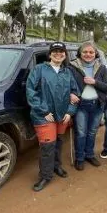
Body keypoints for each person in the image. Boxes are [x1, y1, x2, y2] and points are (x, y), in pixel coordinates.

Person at [26, 42, 79, 192]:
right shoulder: (39, 70)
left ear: (65, 54)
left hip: (62, 116)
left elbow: (75, 94)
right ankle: (45, 176)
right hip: (44, 116)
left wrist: (70, 112)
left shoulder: (67, 72)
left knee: (59, 143)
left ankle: (56, 166)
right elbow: (31, 92)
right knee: (47, 147)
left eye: (61, 51)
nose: (58, 53)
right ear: (49, 54)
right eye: (55, 51)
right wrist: (43, 111)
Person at [69, 41, 107, 171]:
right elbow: (67, 85)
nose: (88, 54)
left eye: (91, 52)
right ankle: (80, 158)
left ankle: (89, 155)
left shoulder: (102, 67)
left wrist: (94, 82)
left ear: (95, 54)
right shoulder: (72, 67)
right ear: (80, 53)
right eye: (85, 52)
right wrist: (70, 94)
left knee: (92, 132)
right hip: (81, 105)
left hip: (97, 104)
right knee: (81, 133)